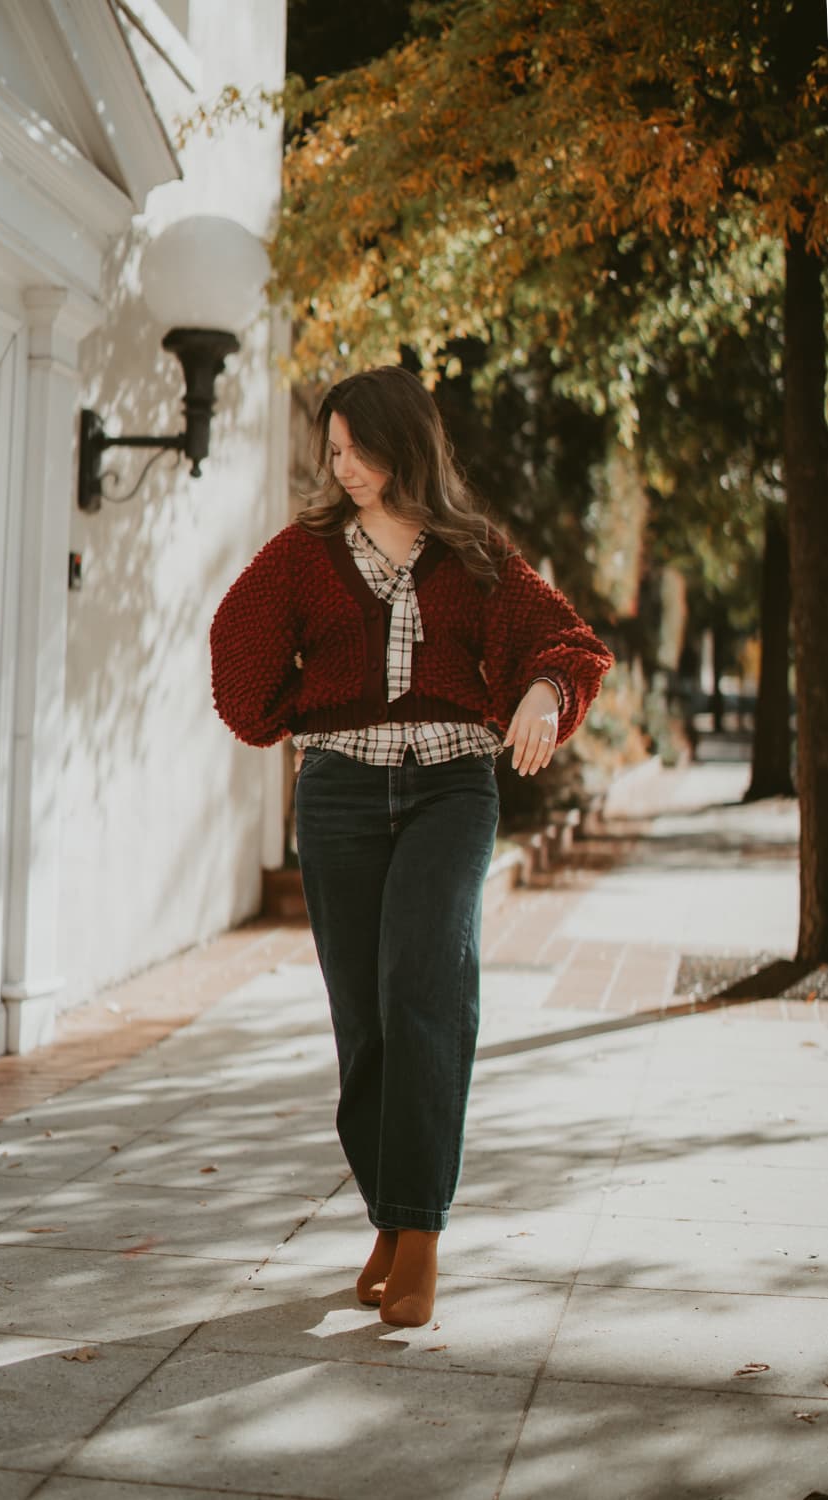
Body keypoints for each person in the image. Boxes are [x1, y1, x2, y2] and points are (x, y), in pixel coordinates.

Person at [210, 366, 612, 1328]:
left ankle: (420, 1234)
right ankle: (389, 1217)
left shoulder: (474, 554)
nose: (341, 465)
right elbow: (239, 643)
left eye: (356, 447)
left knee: (425, 991)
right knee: (364, 1019)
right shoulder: (306, 554)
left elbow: (570, 644)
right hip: (341, 795)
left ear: (405, 445)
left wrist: (539, 694)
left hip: (448, 791)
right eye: (332, 450)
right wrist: (290, 705)